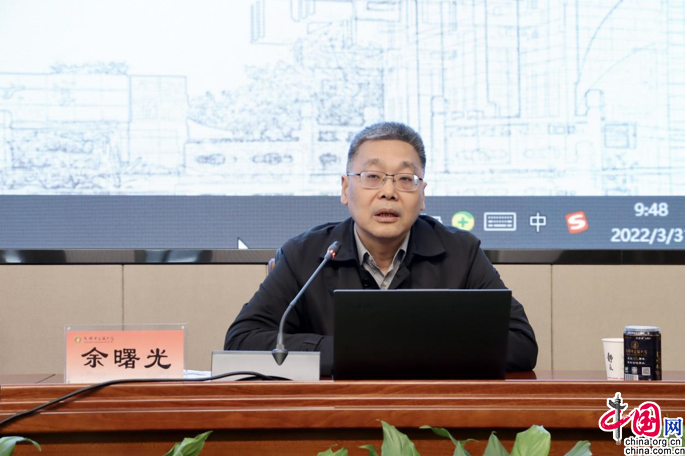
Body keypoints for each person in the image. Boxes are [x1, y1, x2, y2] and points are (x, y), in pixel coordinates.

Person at [225, 122, 538, 376]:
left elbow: (521, 343)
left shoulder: (461, 252)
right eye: (372, 177)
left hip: (430, 414)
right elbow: (242, 341)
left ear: (422, 194)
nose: (388, 192)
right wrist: (355, 351)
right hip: (334, 414)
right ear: (345, 188)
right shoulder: (305, 255)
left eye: (405, 179)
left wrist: (392, 351)